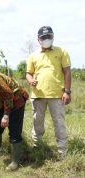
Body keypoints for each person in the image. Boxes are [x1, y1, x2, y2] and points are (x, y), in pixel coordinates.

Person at [26, 26, 71, 156]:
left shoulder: (61, 51)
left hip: (57, 95)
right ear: (38, 39)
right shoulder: (33, 55)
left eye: (49, 36)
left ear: (53, 37)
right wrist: (30, 80)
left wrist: (67, 91)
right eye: (43, 37)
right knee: (37, 124)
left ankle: (63, 152)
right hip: (37, 95)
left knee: (59, 123)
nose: (46, 39)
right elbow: (28, 73)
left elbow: (67, 72)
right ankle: (37, 148)